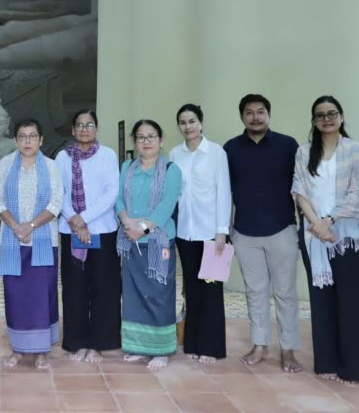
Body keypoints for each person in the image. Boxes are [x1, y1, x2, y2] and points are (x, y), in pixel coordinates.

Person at [292, 96, 359, 384]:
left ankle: (352, 368)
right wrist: (316, 223)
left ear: (341, 117)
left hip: (347, 237)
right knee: (321, 302)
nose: (326, 119)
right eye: (320, 115)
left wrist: (329, 221)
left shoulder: (355, 150)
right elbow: (298, 189)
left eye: (331, 113)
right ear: (314, 121)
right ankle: (326, 362)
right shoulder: (304, 152)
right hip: (314, 238)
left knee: (351, 303)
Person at [223, 94, 303, 372]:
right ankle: (260, 344)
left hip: (282, 229)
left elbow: (301, 186)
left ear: (268, 114)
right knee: (255, 292)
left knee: (285, 293)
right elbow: (224, 191)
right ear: (241, 117)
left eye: (260, 112)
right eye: (249, 112)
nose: (255, 117)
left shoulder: (288, 145)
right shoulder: (231, 148)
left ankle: (288, 349)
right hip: (245, 232)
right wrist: (225, 230)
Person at [0, 117, 64, 369]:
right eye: (22, 137)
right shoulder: (5, 164)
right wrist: (16, 226)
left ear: (41, 140)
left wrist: (30, 226)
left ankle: (42, 351)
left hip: (43, 241)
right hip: (13, 241)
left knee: (42, 295)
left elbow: (56, 203)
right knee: (16, 296)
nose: (27, 141)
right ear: (15, 140)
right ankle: (18, 349)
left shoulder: (51, 166)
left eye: (32, 136)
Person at [55, 109, 121, 363]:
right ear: (73, 130)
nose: (85, 129)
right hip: (70, 230)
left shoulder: (107, 155)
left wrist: (83, 218)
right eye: (80, 125)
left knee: (104, 288)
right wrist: (74, 219)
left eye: (90, 125)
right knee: (75, 288)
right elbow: (58, 192)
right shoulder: (62, 157)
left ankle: (99, 343)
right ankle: (78, 342)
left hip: (102, 231)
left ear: (97, 129)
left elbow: (111, 193)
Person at [116, 119, 181, 370]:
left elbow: (167, 205)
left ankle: (161, 350)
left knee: (158, 293)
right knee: (133, 294)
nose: (146, 141)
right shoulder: (127, 167)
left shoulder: (171, 170)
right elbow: (119, 199)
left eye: (151, 136)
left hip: (157, 241)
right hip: (130, 240)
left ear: (161, 140)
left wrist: (142, 228)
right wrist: (126, 221)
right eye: (141, 137)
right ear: (135, 142)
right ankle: (138, 346)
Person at [169, 103, 231, 364]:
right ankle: (192, 343)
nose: (188, 127)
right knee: (192, 289)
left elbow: (224, 192)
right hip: (185, 233)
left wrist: (221, 231)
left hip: (212, 233)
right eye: (183, 122)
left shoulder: (216, 152)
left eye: (192, 121)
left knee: (211, 289)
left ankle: (212, 347)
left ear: (201, 123)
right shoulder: (175, 154)